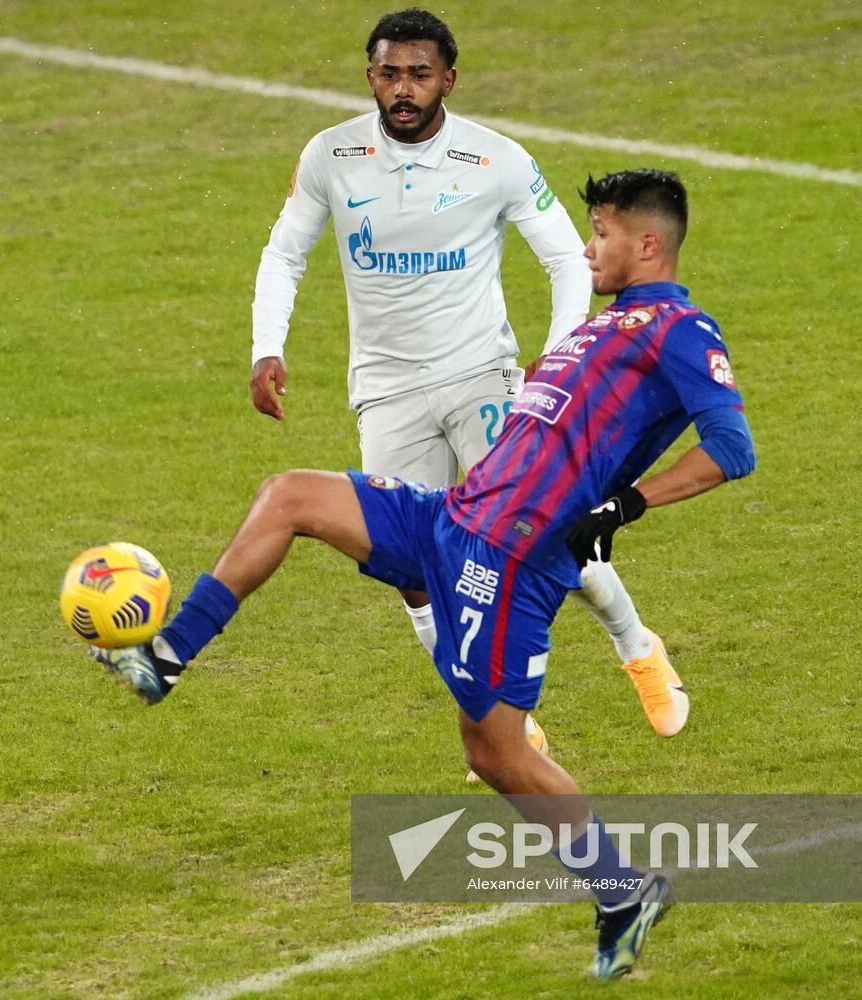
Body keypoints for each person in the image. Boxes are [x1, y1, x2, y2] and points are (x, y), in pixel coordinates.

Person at [94, 169, 756, 978]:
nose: (588, 249)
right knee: (290, 496)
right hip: (451, 517)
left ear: (646, 243)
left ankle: (621, 887)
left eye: (603, 235)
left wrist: (623, 507)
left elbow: (731, 449)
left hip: (511, 563)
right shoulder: (602, 326)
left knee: (494, 753)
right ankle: (163, 659)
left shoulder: (682, 330)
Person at [249, 9, 686, 764]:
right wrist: (266, 347)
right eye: (389, 73)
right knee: (415, 571)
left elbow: (564, 260)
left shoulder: (497, 161)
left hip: (478, 374)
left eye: (419, 73)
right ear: (370, 77)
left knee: (540, 536)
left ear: (448, 79)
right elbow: (284, 253)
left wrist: (554, 360)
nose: (403, 88)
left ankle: (635, 644)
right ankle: (500, 722)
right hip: (384, 390)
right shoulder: (330, 155)